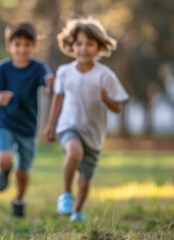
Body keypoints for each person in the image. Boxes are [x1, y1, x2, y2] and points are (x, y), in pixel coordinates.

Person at [42, 17, 129, 224]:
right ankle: (65, 195)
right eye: (79, 43)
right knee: (74, 151)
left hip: (94, 134)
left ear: (99, 47)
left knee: (84, 180)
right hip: (68, 126)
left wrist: (107, 99)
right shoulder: (65, 72)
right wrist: (51, 125)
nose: (83, 49)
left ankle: (78, 212)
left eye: (89, 44)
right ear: (72, 46)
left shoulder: (105, 76)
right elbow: (58, 97)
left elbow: (118, 107)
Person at [0, 21, 53, 218]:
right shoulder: (2, 68)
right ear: (9, 46)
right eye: (17, 44)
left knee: (23, 172)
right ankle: (4, 170)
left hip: (28, 126)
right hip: (5, 121)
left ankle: (19, 200)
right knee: (4, 158)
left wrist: (50, 83)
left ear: (34, 46)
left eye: (27, 44)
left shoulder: (38, 68)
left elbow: (47, 83)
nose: (22, 49)